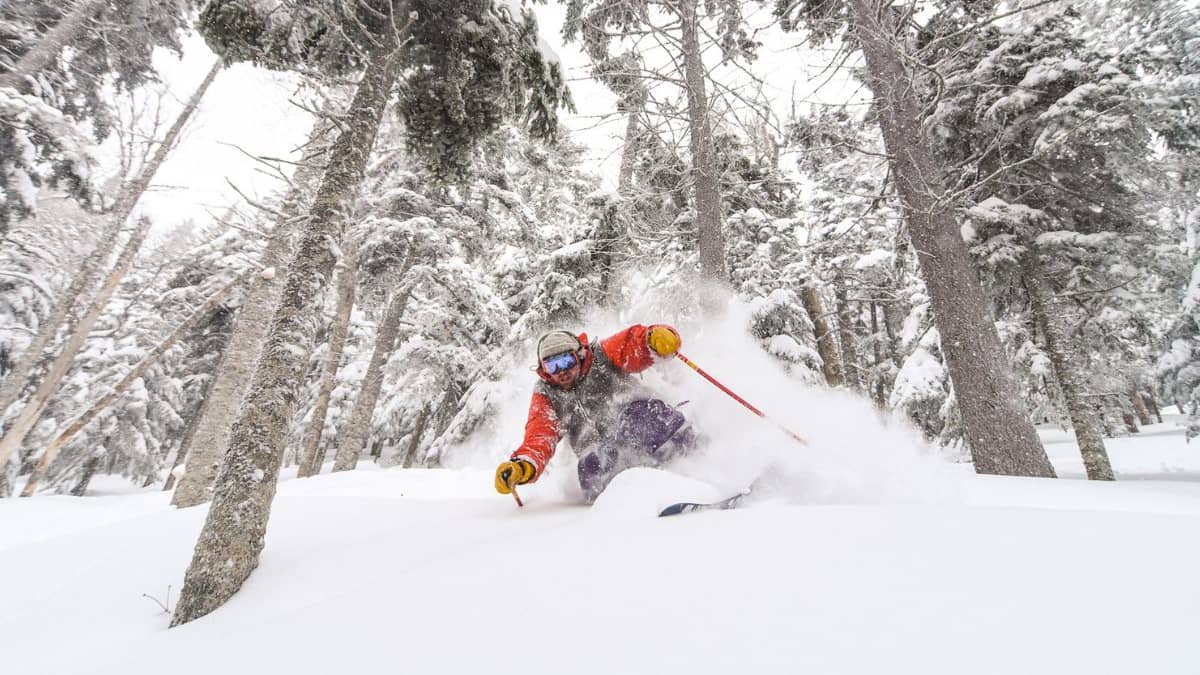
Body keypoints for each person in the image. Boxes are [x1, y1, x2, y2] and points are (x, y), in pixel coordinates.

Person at [494, 324, 695, 503]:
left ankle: (691, 465)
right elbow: (539, 436)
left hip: (644, 420)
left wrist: (652, 339)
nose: (561, 371)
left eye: (566, 361)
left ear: (579, 355)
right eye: (552, 366)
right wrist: (523, 467)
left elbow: (632, 343)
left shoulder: (601, 356)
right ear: (544, 370)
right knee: (591, 465)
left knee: (635, 423)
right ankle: (625, 502)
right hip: (603, 448)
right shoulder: (547, 393)